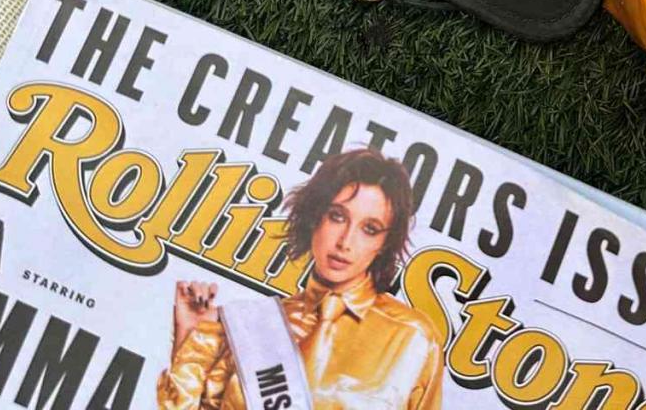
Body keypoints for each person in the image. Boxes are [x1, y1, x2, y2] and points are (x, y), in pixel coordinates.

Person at [157, 148, 442, 409]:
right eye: (337, 216)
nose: (345, 241)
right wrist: (189, 339)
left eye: (369, 228)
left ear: (385, 242)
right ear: (314, 217)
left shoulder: (412, 336)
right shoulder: (256, 324)